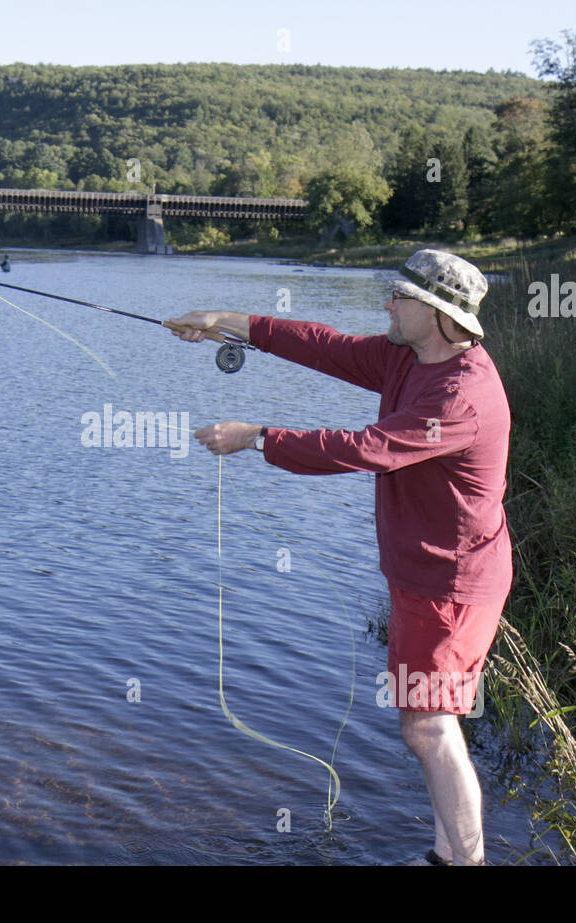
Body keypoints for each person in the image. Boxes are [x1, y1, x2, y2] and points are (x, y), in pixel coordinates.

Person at [165, 249, 512, 866]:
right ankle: (447, 856)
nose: (388, 305)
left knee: (429, 725)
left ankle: (465, 862)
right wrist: (224, 319)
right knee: (423, 721)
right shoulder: (406, 356)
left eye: (400, 297)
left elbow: (368, 449)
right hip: (421, 574)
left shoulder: (461, 395)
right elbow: (322, 345)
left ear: (435, 313)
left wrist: (258, 437)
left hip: (450, 583)